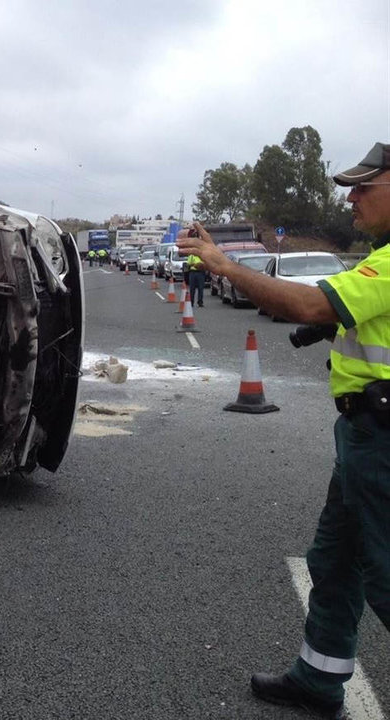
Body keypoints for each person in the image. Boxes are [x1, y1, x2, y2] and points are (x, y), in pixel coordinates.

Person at [177, 141, 390, 720]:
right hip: (364, 434)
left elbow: (310, 304)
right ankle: (318, 681)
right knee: (336, 562)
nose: (351, 199)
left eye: (364, 187)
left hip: (383, 442)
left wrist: (222, 265)